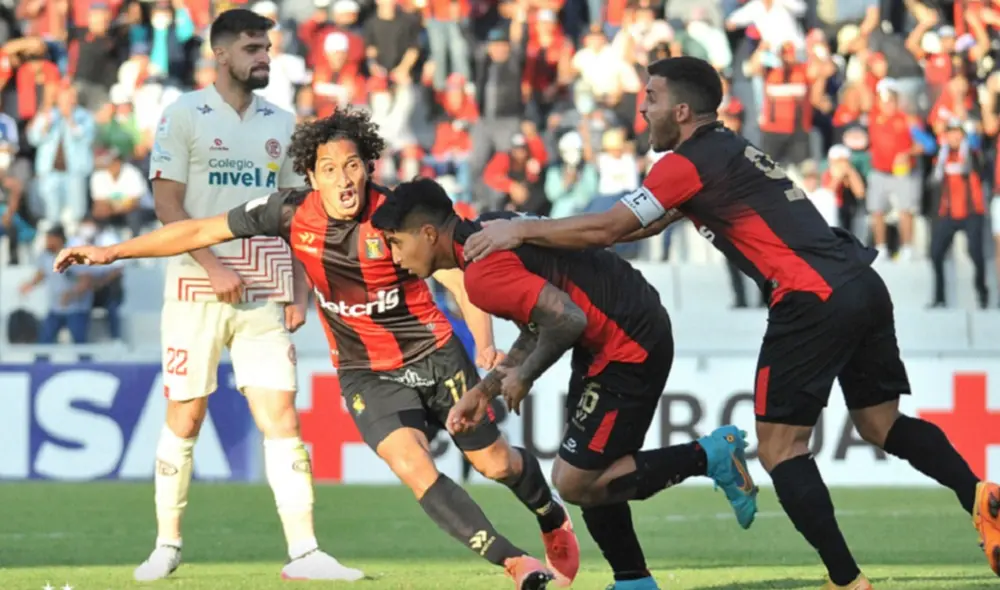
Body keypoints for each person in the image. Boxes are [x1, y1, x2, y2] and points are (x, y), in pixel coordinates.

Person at [461, 56, 1000, 589]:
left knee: (779, 449)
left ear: (682, 110)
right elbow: (642, 227)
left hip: (810, 298)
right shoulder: (730, 150)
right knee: (881, 425)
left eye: (650, 98)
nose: (641, 108)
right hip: (859, 282)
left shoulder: (687, 162)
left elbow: (607, 227)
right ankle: (978, 495)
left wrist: (521, 230)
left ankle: (847, 581)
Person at [54, 107, 579, 590]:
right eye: (329, 169)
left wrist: (484, 344)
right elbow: (196, 229)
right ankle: (516, 563)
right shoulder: (287, 213)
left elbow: (459, 281)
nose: (344, 179)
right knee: (412, 465)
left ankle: (549, 515)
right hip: (365, 372)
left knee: (496, 465)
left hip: (435, 354)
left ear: (367, 167)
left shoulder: (394, 213)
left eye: (352, 166)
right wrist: (111, 252)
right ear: (309, 176)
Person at [369, 177, 759, 590]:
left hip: (628, 342)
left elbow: (567, 318)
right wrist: (485, 391)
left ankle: (712, 454)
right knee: (589, 467)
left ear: (429, 234)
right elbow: (545, 321)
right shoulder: (490, 229)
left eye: (395, 242)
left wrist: (526, 374)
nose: (395, 257)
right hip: (613, 332)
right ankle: (633, 581)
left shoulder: (482, 276)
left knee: (576, 480)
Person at [138, 8, 361, 582]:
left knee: (282, 415)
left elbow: (304, 215)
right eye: (253, 49)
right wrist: (210, 265)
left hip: (265, 286)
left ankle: (306, 551)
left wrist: (303, 285)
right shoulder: (183, 115)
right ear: (221, 54)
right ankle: (167, 544)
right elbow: (168, 206)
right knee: (185, 417)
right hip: (194, 286)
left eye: (266, 49)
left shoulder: (283, 123)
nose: (264, 57)